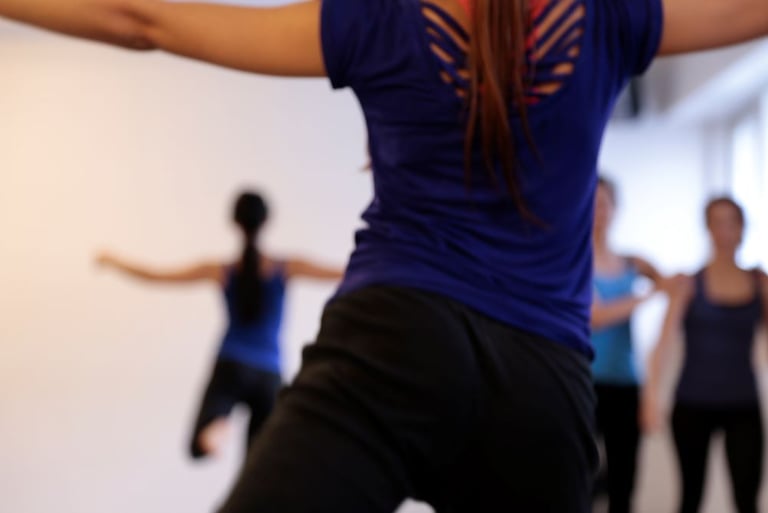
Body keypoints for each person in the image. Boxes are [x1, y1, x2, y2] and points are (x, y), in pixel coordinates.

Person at [2, 0, 767, 511]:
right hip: (540, 383)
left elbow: (144, 19)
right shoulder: (607, 16)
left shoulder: (375, 16)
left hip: (394, 342)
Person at [96, 190, 343, 459]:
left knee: (199, 444)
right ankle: (229, 437)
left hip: (230, 364)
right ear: (267, 221)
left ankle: (219, 426)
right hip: (269, 372)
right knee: (258, 458)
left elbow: (156, 276)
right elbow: (342, 273)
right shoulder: (285, 267)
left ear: (234, 222)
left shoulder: (221, 271)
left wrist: (113, 261)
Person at [643, 197, 768, 513]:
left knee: (747, 500)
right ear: (708, 229)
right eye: (717, 222)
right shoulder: (689, 284)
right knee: (690, 498)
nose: (725, 231)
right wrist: (651, 396)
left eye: (732, 222)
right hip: (693, 402)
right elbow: (664, 343)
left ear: (742, 228)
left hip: (743, 402)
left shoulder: (759, 283)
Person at [591, 176, 668, 513]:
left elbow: (669, 285)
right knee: (581, 476)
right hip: (585, 382)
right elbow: (597, 316)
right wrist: (646, 295)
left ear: (615, 208)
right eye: (592, 204)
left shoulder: (632, 263)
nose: (599, 212)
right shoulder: (575, 262)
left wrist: (665, 284)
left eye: (604, 204)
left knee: (624, 481)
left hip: (625, 382)